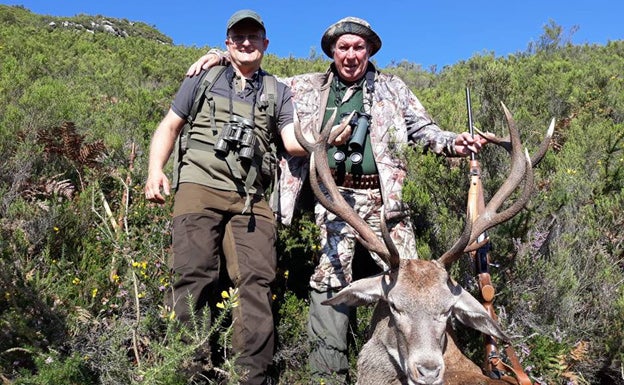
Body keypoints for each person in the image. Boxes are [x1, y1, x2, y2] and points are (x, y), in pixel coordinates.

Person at [187, 16, 487, 385]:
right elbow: (254, 73)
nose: (350, 55)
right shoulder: (305, 87)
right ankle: (328, 376)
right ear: (332, 51)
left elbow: (424, 130)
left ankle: (407, 374)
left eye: (358, 47)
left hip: (386, 205)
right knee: (329, 282)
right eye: (343, 47)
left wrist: (454, 143)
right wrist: (220, 56)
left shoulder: (394, 89)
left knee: (412, 289)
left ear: (369, 51)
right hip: (334, 202)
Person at [144, 10, 310, 385]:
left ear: (266, 44)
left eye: (254, 37)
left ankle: (251, 376)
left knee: (256, 282)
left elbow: (290, 142)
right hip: (197, 188)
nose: (246, 43)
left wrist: (324, 140)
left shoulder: (277, 91)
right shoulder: (203, 77)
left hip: (251, 199)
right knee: (193, 275)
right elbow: (170, 126)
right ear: (228, 44)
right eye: (239, 37)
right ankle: (188, 370)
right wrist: (155, 170)